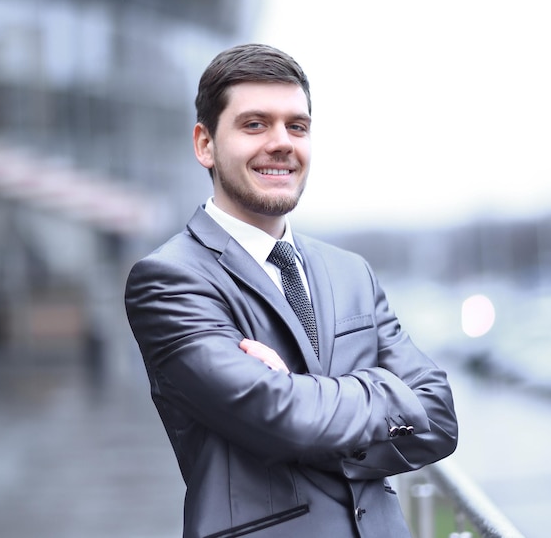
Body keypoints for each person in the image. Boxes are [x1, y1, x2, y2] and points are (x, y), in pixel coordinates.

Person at [125, 43, 458, 538]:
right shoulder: (171, 280)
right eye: (254, 124)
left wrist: (302, 398)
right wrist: (388, 395)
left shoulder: (352, 273)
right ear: (205, 144)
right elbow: (282, 416)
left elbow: (440, 417)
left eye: (296, 126)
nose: (282, 142)